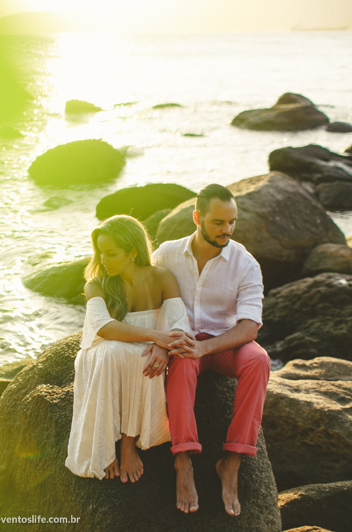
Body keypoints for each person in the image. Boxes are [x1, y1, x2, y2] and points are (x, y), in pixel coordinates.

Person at [152, 184, 270, 517]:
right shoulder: (165, 255)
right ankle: (183, 460)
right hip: (183, 342)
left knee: (259, 360)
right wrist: (161, 344)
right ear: (197, 218)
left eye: (232, 221)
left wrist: (205, 347)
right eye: (219, 222)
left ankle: (231, 462)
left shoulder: (245, 263)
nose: (227, 230)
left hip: (223, 343)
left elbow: (250, 327)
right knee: (184, 365)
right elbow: (147, 304)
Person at [65, 215, 191, 484]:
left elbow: (179, 325)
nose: (103, 260)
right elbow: (104, 328)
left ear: (132, 252)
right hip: (101, 354)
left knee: (142, 358)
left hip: (141, 353)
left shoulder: (162, 277)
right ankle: (103, 447)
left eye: (111, 253)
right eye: (100, 253)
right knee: (116, 352)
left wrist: (163, 349)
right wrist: (156, 337)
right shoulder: (96, 284)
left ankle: (127, 444)